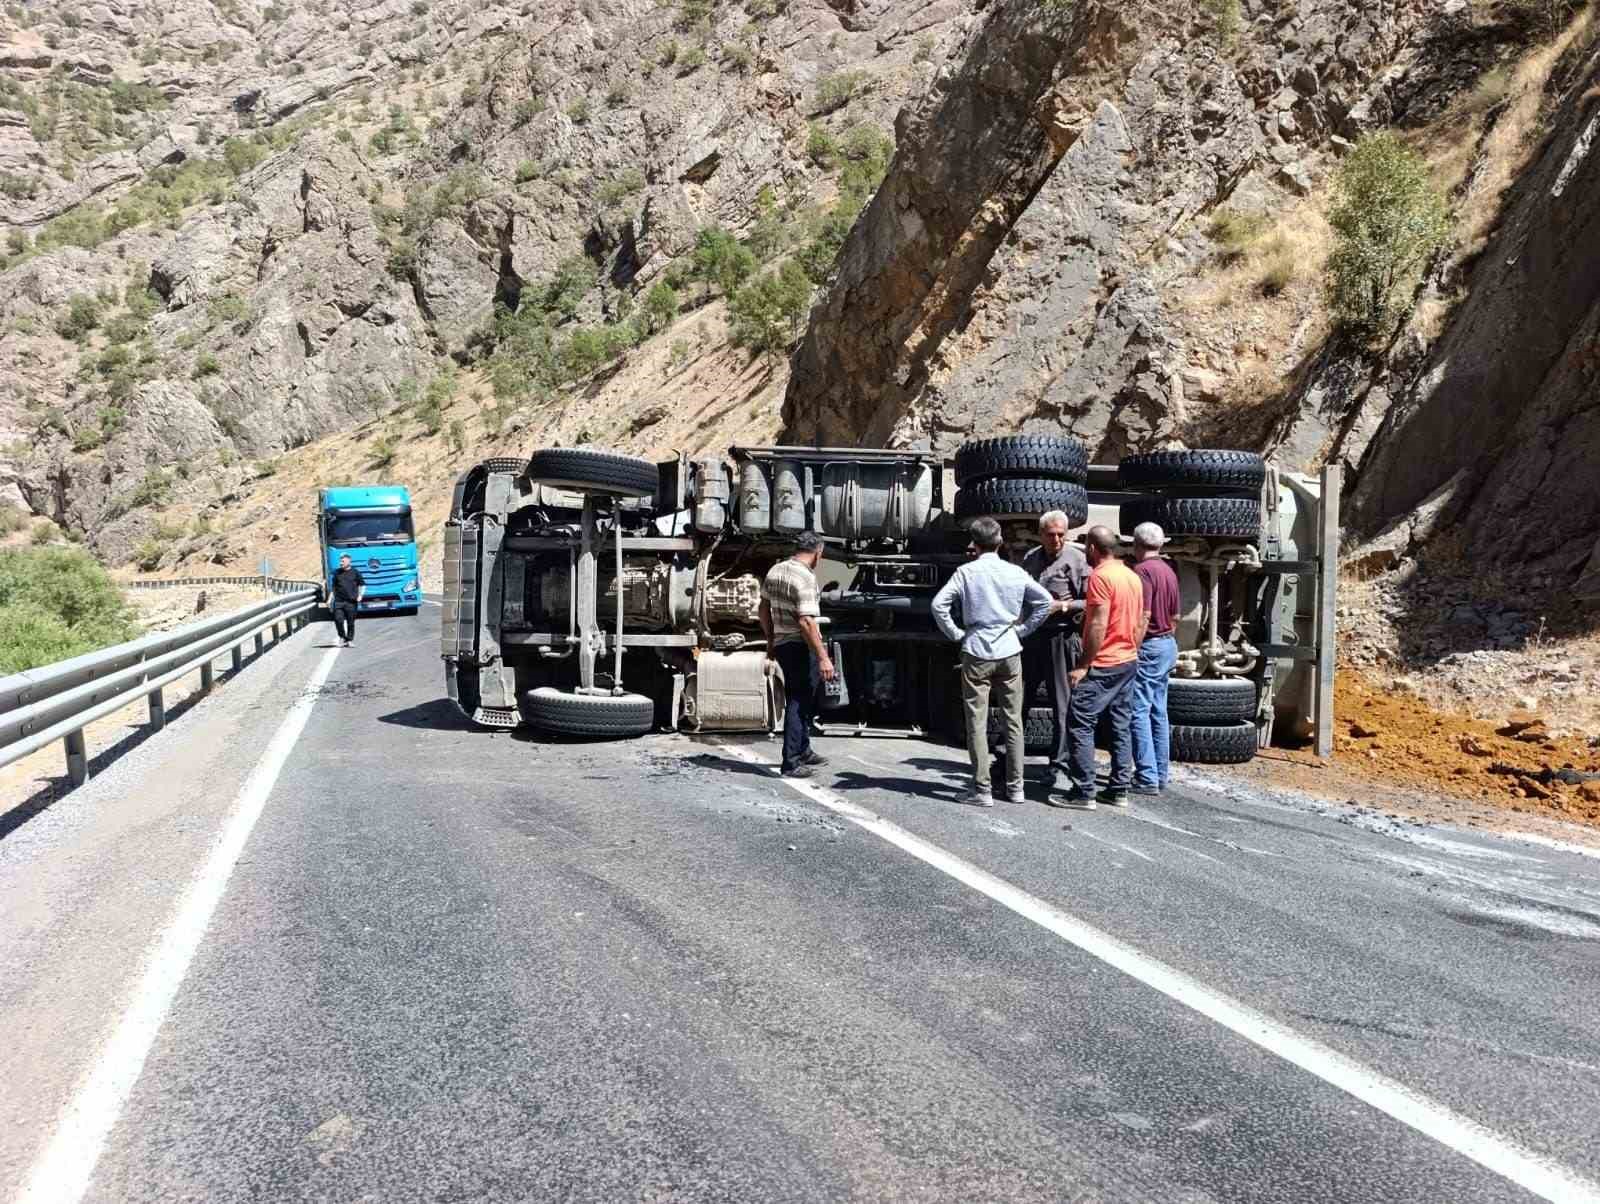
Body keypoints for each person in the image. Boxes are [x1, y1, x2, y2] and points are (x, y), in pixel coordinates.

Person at [931, 516, 1053, 807]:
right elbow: (1045, 602)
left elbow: (939, 605)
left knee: (976, 721)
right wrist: (1022, 630)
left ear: (974, 544)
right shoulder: (1015, 571)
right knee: (1013, 721)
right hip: (1009, 649)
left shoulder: (965, 572)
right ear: (999, 542)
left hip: (976, 650)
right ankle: (1016, 788)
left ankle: (982, 789)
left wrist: (956, 634)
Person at [1058, 525, 1143, 809]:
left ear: (1092, 548)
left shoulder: (1100, 576)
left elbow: (1097, 624)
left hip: (1104, 663)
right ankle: (1118, 789)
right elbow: (1141, 620)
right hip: (1127, 659)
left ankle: (1084, 791)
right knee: (1120, 725)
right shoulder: (1131, 575)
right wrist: (1131, 649)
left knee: (1080, 721)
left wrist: (1083, 665)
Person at [1015, 510, 1088, 792]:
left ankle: (1058, 765)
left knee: (1062, 706)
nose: (1056, 540)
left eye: (1061, 535)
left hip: (1062, 636)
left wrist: (1064, 606)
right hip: (1033, 637)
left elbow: (1091, 601)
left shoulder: (1077, 560)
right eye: (1050, 534)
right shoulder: (1031, 558)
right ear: (1040, 534)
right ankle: (1009, 760)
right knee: (1019, 699)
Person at [760, 531, 837, 779]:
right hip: (800, 645)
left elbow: (763, 608)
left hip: (783, 643)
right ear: (818, 553)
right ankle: (791, 762)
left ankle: (804, 750)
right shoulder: (805, 577)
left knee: (803, 694)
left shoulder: (775, 570)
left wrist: (771, 640)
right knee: (799, 699)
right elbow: (806, 622)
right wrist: (823, 657)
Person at [1130, 521, 1181, 796]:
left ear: (1136, 543)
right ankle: (1160, 774)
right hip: (1167, 644)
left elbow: (1144, 614)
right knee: (1158, 711)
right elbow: (1176, 616)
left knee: (1137, 710)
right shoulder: (1169, 570)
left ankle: (1146, 776)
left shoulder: (1142, 571)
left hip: (1149, 646)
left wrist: (1133, 648)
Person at [329, 553, 365, 647]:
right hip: (339, 601)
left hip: (351, 602)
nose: (341, 563)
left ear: (349, 561)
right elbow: (333, 588)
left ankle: (349, 640)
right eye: (340, 561)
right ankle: (342, 636)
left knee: (350, 622)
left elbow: (362, 584)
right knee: (338, 620)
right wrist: (329, 599)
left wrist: (360, 595)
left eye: (343, 561)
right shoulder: (337, 573)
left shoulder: (355, 572)